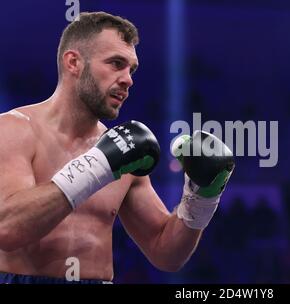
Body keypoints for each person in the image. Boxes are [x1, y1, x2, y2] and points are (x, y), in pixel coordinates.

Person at [0, 11, 234, 284]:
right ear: (74, 62)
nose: (128, 79)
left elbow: (166, 253)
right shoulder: (14, 130)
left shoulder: (124, 151)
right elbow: (7, 228)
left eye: (131, 69)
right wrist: (99, 165)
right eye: (116, 64)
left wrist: (201, 199)